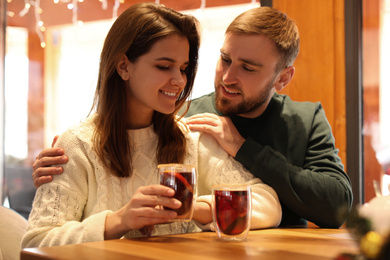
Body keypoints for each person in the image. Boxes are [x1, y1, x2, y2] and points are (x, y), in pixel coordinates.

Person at [32, 6, 353, 229]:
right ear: (123, 66)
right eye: (225, 59)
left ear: (283, 78)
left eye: (248, 68)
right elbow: (45, 232)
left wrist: (241, 148)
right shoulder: (186, 116)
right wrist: (63, 170)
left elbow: (335, 205)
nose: (227, 77)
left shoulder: (305, 118)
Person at [22, 3, 281, 248]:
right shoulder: (77, 145)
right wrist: (118, 221)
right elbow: (36, 242)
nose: (179, 80)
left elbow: (267, 205)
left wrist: (192, 208)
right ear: (124, 66)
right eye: (164, 66)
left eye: (183, 68)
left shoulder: (191, 138)